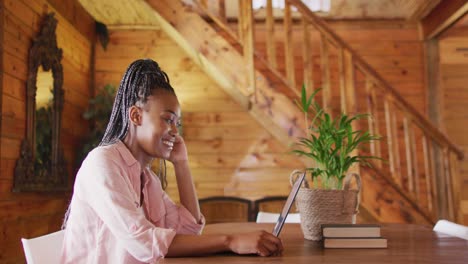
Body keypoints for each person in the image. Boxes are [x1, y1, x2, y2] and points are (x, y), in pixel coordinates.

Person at [61, 59, 283, 263]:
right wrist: (230, 241)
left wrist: (181, 163)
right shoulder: (102, 163)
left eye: (177, 122)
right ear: (136, 116)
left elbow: (188, 231)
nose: (175, 131)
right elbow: (144, 242)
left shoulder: (147, 179)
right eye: (168, 119)